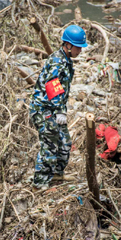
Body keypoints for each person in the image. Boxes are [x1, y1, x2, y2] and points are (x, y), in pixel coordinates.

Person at [29, 25, 87, 190]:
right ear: (68, 45)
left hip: (54, 109)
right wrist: (59, 111)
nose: (80, 51)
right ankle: (40, 183)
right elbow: (52, 85)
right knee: (50, 144)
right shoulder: (57, 61)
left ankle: (56, 175)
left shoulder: (66, 60)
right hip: (43, 109)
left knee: (64, 143)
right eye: (78, 47)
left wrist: (60, 110)